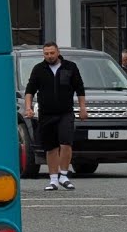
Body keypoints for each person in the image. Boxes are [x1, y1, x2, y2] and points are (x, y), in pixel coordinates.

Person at [23, 42, 87, 191]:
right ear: (43, 54)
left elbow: (80, 88)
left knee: (66, 143)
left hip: (65, 112)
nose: (49, 56)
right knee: (50, 147)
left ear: (58, 52)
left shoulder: (70, 67)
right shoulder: (38, 69)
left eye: (52, 53)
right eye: (46, 54)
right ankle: (53, 180)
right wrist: (28, 108)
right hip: (46, 114)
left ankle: (63, 175)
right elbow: (30, 90)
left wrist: (83, 108)